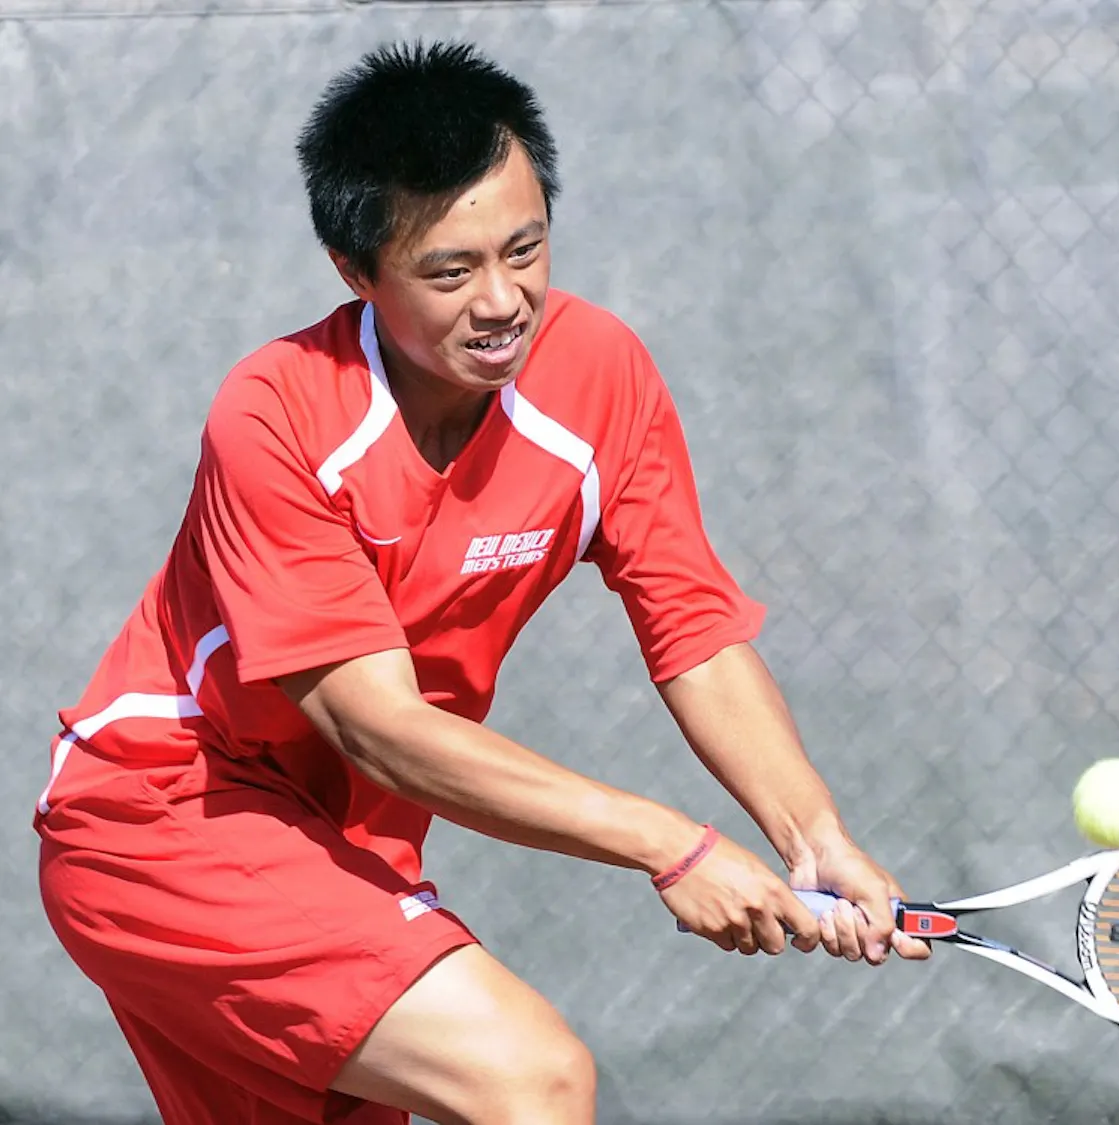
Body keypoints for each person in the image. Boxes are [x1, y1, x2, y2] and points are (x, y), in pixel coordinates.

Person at [33, 38, 929, 1125]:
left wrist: (812, 836)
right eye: (451, 271)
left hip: (343, 844)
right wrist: (671, 843)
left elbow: (690, 626)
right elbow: (382, 730)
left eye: (526, 249)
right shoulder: (277, 412)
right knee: (532, 1077)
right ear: (355, 272)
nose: (503, 300)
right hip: (167, 815)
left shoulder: (600, 375)